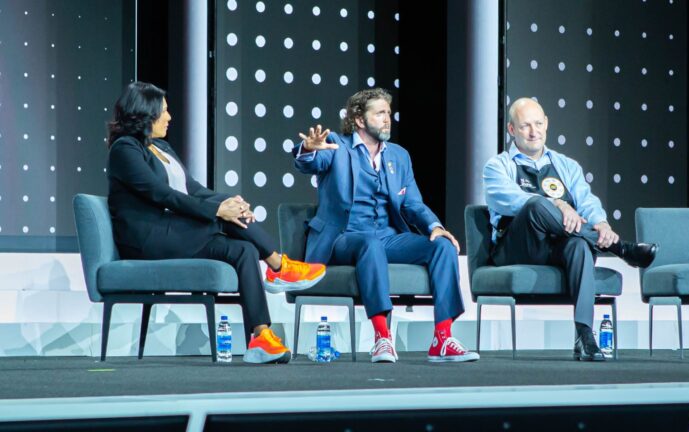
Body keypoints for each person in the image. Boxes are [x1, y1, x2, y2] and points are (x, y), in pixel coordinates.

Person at [107, 82, 326, 364]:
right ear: (145, 114)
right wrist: (219, 211)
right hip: (147, 238)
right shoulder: (125, 150)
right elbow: (162, 194)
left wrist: (229, 201)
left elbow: (193, 189)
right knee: (226, 219)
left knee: (243, 250)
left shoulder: (160, 146)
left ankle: (261, 336)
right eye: (164, 111)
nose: (170, 117)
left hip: (174, 232)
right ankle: (278, 266)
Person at [293, 88, 479, 363]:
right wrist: (308, 149)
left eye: (388, 114)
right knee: (370, 245)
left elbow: (412, 204)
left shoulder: (399, 156)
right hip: (345, 237)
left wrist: (434, 226)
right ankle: (382, 338)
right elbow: (310, 162)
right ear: (359, 119)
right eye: (379, 113)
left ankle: (442, 337)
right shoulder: (336, 145)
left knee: (442, 246)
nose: (387, 119)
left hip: (387, 236)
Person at [483, 97, 658, 361]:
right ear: (511, 130)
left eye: (539, 123)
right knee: (534, 205)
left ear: (547, 124)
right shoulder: (498, 166)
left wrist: (601, 222)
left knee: (578, 246)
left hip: (556, 245)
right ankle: (620, 248)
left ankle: (585, 334)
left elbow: (586, 201)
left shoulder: (566, 165)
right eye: (525, 126)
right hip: (518, 247)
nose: (534, 131)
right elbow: (511, 201)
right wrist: (557, 204)